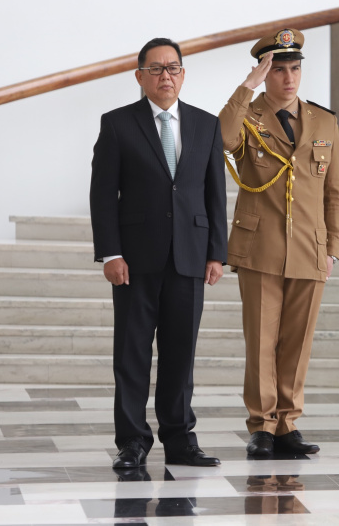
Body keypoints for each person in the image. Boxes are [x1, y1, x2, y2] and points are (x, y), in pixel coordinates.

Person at [90, 37, 227, 468]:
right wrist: (110, 253)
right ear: (140, 76)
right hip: (135, 259)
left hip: (189, 255)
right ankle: (132, 441)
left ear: (183, 74)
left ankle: (180, 439)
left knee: (180, 353)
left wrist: (216, 253)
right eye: (156, 69)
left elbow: (215, 193)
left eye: (173, 68)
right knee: (131, 354)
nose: (165, 76)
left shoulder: (206, 125)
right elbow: (102, 195)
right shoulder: (117, 124)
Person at [219, 28, 339, 457]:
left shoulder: (324, 121)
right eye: (278, 70)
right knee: (261, 340)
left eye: (294, 69)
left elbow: (334, 192)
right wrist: (247, 87)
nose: (288, 79)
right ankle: (262, 425)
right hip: (261, 247)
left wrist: (332, 248)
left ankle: (288, 424)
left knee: (297, 340)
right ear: (265, 72)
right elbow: (222, 138)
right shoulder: (248, 115)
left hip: (310, 248)